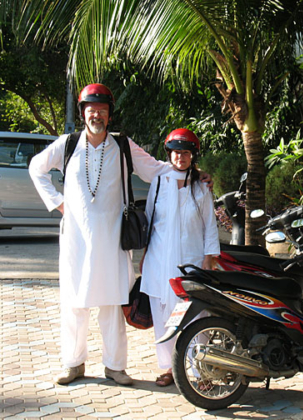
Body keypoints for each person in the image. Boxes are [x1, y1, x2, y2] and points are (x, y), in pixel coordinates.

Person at [29, 84, 212, 386]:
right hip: (76, 239)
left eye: (102, 110)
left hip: (114, 240)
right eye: (91, 109)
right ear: (83, 112)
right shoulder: (68, 144)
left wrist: (195, 170)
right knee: (74, 302)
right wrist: (59, 203)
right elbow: (37, 168)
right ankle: (73, 364)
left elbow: (157, 169)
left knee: (113, 304)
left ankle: (115, 366)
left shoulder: (122, 146)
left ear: (109, 115)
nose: (96, 114)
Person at [139, 128, 220, 387]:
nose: (180, 157)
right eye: (176, 152)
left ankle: (200, 370)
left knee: (196, 315)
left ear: (193, 155)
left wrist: (210, 257)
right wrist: (143, 257)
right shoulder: (160, 182)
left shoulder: (201, 186)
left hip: (192, 261)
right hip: (159, 260)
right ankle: (169, 369)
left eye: (185, 153)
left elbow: (210, 224)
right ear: (169, 154)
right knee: (163, 317)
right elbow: (150, 221)